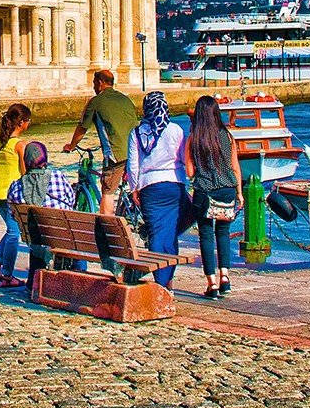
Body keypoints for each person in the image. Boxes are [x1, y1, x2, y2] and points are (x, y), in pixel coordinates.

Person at [125, 91, 185, 289]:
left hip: (149, 187)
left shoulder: (136, 133)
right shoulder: (176, 129)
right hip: (174, 184)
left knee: (157, 232)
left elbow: (133, 166)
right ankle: (168, 279)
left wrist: (134, 188)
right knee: (170, 232)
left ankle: (161, 281)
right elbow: (183, 159)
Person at [184, 94, 239, 299]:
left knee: (206, 235)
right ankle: (225, 277)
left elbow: (190, 172)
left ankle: (212, 283)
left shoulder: (194, 139)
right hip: (227, 190)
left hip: (204, 192)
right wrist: (239, 192)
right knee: (223, 232)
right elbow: (235, 167)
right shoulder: (227, 136)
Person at [63, 70, 139, 215]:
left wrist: (71, 146)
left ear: (100, 83)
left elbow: (82, 128)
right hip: (135, 150)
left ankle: (107, 226)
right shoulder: (125, 99)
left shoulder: (96, 102)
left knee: (107, 191)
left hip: (116, 154)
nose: (93, 87)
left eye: (94, 83)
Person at [0, 103, 32, 287]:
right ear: (21, 123)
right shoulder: (19, 145)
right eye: (28, 121)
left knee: (10, 230)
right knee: (14, 233)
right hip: (12, 195)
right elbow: (24, 172)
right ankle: (7, 275)